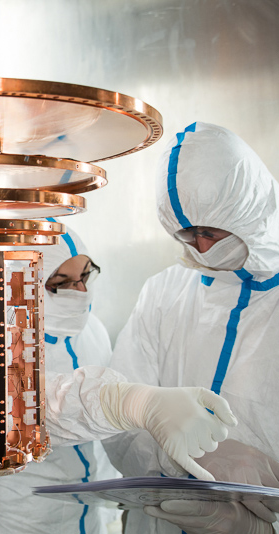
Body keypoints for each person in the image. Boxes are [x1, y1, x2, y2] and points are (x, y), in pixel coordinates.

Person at [104, 122, 279, 533]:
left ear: (249, 212)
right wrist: (177, 456)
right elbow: (119, 417)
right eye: (188, 233)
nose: (201, 248)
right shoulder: (164, 292)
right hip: (160, 520)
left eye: (211, 231)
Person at [0, 226, 123, 534]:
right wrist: (131, 404)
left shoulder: (93, 331)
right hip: (5, 515)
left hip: (84, 514)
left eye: (86, 276)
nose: (80, 293)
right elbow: (29, 411)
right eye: (60, 283)